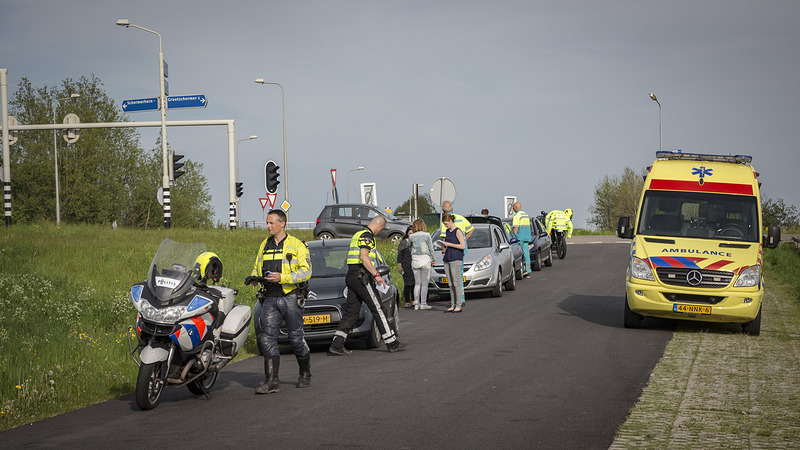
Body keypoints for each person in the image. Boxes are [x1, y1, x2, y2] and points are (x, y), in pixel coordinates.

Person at [246, 210, 312, 394]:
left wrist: (283, 278)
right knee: (267, 337)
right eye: (267, 223)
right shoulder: (264, 245)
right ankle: (271, 381)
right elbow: (257, 266)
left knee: (295, 338)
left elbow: (306, 272)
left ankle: (305, 373)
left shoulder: (296, 244)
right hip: (269, 298)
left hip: (290, 297)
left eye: (271, 223)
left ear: (282, 223)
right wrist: (254, 277)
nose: (267, 226)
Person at [329, 216, 405, 355]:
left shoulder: (357, 235)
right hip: (361, 277)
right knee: (378, 308)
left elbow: (347, 258)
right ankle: (391, 342)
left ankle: (337, 344)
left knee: (352, 312)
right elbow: (364, 257)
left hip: (351, 275)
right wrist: (376, 275)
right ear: (380, 226)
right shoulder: (367, 236)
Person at [441, 214, 466, 313]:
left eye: (446, 223)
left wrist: (449, 244)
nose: (445, 225)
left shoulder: (458, 231)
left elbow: (463, 246)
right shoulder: (447, 232)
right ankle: (452, 304)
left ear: (451, 221)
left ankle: (458, 305)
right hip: (447, 257)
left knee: (456, 283)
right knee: (450, 283)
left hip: (456, 258)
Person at [408, 219, 435, 310]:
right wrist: (433, 259)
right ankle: (423, 303)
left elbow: (408, 245)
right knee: (424, 283)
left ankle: (416, 304)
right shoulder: (427, 235)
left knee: (417, 283)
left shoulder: (412, 236)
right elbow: (431, 248)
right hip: (425, 259)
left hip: (415, 259)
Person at [511, 202, 532, 278]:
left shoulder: (517, 216)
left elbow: (516, 228)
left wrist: (514, 236)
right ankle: (527, 270)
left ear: (515, 207)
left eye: (513, 207)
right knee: (526, 254)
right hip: (526, 237)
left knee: (517, 254)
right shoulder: (525, 215)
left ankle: (519, 271)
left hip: (519, 238)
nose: (513, 209)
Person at [396, 226, 415, 309]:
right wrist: (400, 266)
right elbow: (400, 254)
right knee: (407, 284)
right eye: (410, 233)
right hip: (406, 265)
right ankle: (407, 301)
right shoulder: (404, 242)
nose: (411, 235)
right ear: (407, 233)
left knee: (414, 284)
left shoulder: (416, 242)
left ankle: (414, 300)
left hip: (414, 265)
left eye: (413, 233)